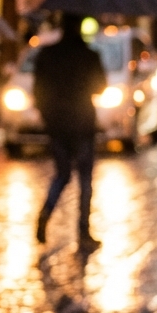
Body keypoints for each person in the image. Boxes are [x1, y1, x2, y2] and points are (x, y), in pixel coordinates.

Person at [33, 13, 107, 252]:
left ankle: (46, 213)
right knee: (85, 180)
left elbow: (38, 89)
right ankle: (83, 232)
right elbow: (100, 86)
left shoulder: (47, 54)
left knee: (61, 175)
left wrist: (47, 116)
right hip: (82, 124)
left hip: (57, 125)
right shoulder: (89, 55)